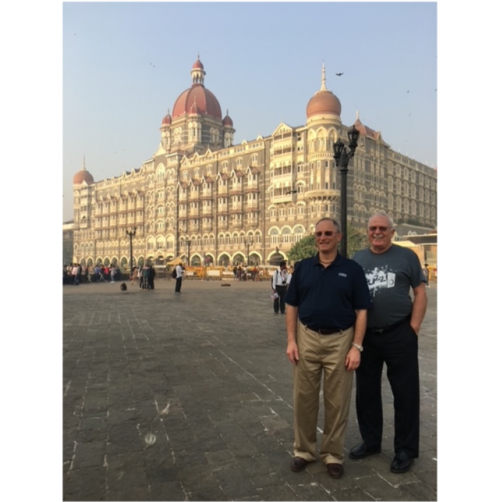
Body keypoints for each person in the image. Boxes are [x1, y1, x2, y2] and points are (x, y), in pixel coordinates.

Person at [285, 217, 372, 479]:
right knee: (303, 399)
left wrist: (356, 346)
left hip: (341, 340)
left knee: (337, 400)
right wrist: (291, 340)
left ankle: (333, 454)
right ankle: (304, 451)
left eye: (328, 233)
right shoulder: (302, 268)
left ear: (338, 237)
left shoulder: (352, 269)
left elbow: (362, 310)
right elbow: (291, 306)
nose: (322, 238)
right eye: (318, 234)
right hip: (307, 337)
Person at [349, 212, 427, 475]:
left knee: (405, 394)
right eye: (373, 228)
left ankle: (405, 450)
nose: (377, 232)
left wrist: (413, 329)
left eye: (383, 228)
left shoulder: (407, 257)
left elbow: (420, 292)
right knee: (366, 392)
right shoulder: (358, 259)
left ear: (392, 232)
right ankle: (371, 442)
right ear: (367, 231)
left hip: (399, 334)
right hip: (366, 337)